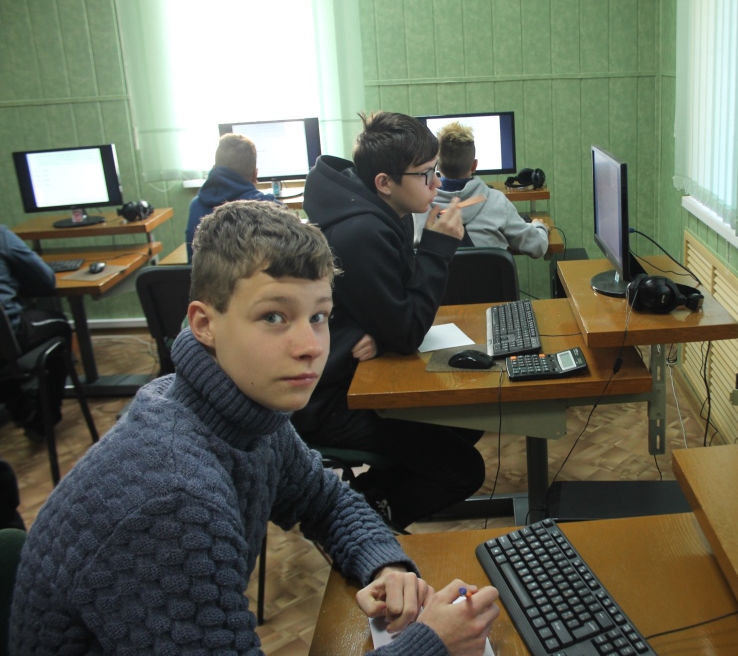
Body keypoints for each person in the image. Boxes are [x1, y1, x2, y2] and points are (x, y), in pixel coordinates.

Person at [7, 201, 500, 654]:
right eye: (273, 316)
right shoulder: (173, 498)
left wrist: (383, 562)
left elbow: (326, 500)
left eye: (320, 316)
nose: (311, 346)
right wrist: (432, 644)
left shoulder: (241, 411)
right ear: (204, 323)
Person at [293, 112, 486, 530]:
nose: (436, 183)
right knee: (464, 469)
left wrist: (383, 335)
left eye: (435, 170)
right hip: (329, 402)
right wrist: (437, 248)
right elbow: (407, 330)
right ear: (384, 182)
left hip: (353, 376)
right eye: (425, 174)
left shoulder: (377, 209)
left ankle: (363, 501)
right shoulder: (361, 231)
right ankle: (354, 522)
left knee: (468, 420)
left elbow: (395, 310)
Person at [413, 121, 549, 258]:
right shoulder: (497, 201)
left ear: (436, 165)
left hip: (434, 272)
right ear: (474, 165)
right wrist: (539, 226)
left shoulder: (418, 208)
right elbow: (537, 246)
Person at [0, 225, 72, 442]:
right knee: (60, 326)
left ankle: (17, 402)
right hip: (9, 334)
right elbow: (45, 280)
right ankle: (43, 419)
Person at [184, 133, 279, 261]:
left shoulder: (195, 205)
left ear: (213, 169)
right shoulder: (269, 206)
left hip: (204, 274)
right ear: (255, 174)